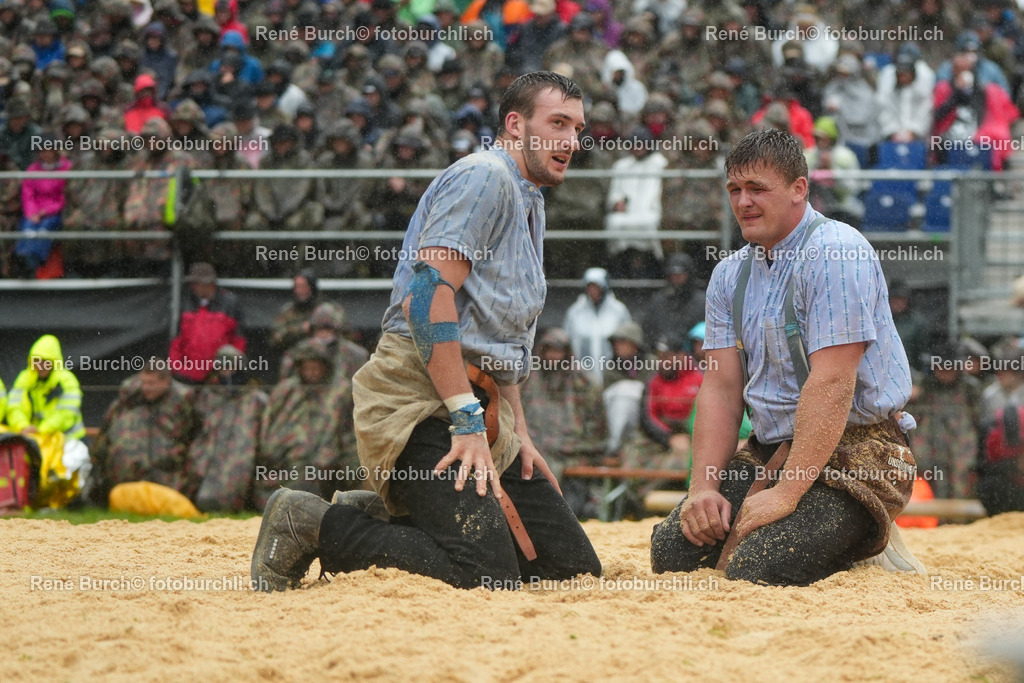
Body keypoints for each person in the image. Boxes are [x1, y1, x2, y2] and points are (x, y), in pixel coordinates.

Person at [251, 71, 601, 592]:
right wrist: (465, 421)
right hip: (418, 398)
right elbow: (427, 296)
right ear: (515, 125)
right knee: (486, 573)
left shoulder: (528, 195)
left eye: (577, 128)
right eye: (558, 124)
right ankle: (311, 521)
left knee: (570, 568)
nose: (571, 140)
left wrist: (520, 435)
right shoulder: (484, 177)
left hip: (476, 401)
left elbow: (499, 340)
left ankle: (387, 515)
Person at [651, 129, 924, 586]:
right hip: (770, 449)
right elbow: (720, 389)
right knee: (674, 552)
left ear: (799, 188)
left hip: (863, 451)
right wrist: (703, 488)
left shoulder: (837, 251)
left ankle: (859, 545)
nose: (743, 202)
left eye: (757, 188)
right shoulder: (728, 274)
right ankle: (828, 536)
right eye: (734, 189)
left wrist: (788, 492)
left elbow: (833, 381)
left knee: (761, 564)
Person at [5, 334, 90, 494]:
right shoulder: (25, 378)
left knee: (63, 473)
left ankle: (68, 498)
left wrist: (40, 429)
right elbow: (13, 407)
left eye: (46, 361)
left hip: (66, 440)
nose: (41, 365)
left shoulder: (66, 380)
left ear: (54, 362)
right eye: (37, 361)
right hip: (34, 439)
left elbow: (66, 414)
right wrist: (23, 426)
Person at [189, 345, 266, 512]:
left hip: (244, 461)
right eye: (222, 368)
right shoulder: (208, 396)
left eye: (231, 368)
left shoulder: (256, 399)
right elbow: (196, 426)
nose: (226, 373)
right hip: (209, 460)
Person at [168, 262, 246, 384]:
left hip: (218, 376)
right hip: (188, 376)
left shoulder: (230, 302)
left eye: (197, 283)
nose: (193, 287)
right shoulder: (186, 302)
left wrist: (228, 367)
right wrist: (177, 368)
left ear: (209, 283)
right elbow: (177, 341)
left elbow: (239, 339)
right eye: (193, 283)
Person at [563, 267, 632, 387]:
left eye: (597, 287)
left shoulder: (618, 311)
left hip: (613, 375)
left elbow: (628, 341)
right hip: (582, 378)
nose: (593, 291)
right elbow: (566, 341)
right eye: (590, 287)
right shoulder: (575, 312)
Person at [640, 253, 705, 349]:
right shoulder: (658, 300)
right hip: (661, 353)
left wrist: (685, 346)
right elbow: (648, 329)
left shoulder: (702, 302)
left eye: (681, 274)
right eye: (673, 274)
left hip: (693, 354)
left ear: (689, 274)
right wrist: (660, 345)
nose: (676, 278)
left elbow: (704, 332)